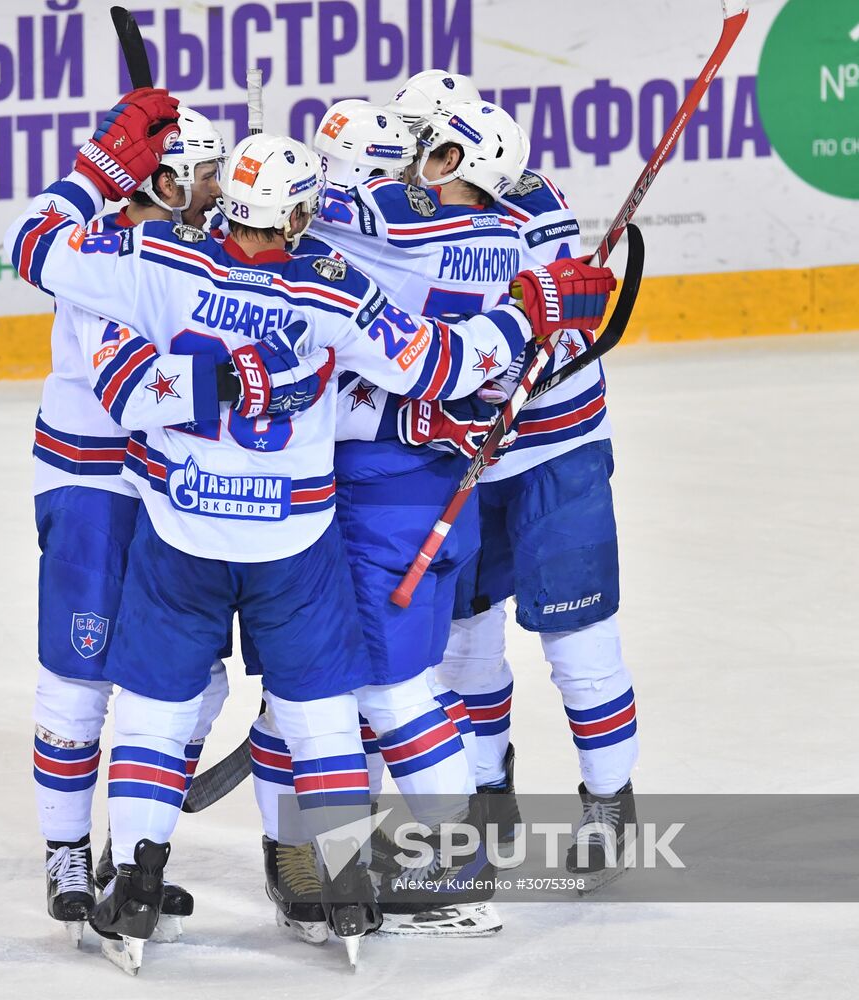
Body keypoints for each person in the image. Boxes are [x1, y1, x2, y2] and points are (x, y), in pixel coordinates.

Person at [4, 86, 616, 971]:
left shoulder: (152, 257)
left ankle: (139, 873)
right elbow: (439, 365)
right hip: (298, 539)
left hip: (181, 527)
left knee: (160, 704)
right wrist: (528, 310)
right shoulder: (336, 280)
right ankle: (344, 876)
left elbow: (61, 288)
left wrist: (93, 176)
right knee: (326, 705)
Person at [28, 106, 329, 947]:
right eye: (205, 174)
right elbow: (132, 389)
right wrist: (246, 384)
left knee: (199, 683)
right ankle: (66, 854)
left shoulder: (199, 255)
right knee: (80, 673)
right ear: (164, 182)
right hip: (96, 482)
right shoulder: (112, 258)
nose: (221, 187)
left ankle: (139, 853)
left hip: (182, 494)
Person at [250, 96, 534, 941]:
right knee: (328, 684)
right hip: (421, 486)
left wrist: (254, 191)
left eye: (429, 153)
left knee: (377, 684)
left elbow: (354, 226)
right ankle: (310, 858)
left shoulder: (390, 232)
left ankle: (450, 867)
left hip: (378, 492)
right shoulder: (497, 234)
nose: (414, 168)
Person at [387, 70, 639, 890]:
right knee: (462, 641)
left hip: (555, 452)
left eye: (419, 143)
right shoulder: (404, 212)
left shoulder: (530, 204)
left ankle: (608, 801)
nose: (406, 158)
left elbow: (570, 320)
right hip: (460, 452)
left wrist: (519, 362)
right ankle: (487, 797)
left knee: (577, 636)